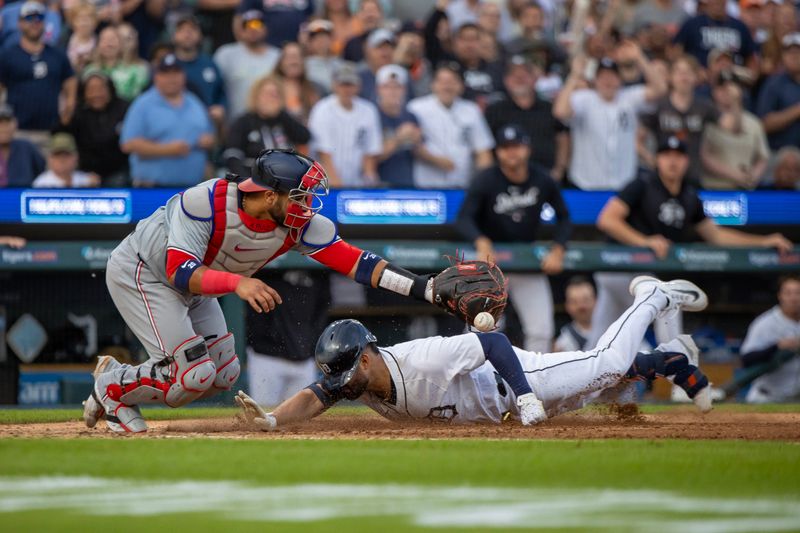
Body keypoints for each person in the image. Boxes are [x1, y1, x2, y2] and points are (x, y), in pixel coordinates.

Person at [82, 148, 477, 433]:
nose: (308, 206)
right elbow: (181, 271)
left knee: (224, 372)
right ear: (270, 195)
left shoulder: (297, 224)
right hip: (145, 273)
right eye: (300, 196)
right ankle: (112, 385)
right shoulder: (206, 202)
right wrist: (240, 282)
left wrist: (425, 289)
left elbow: (358, 263)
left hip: (202, 285)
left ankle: (120, 384)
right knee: (193, 375)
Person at [235, 276, 715, 430]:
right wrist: (274, 419)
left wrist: (527, 395)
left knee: (604, 365)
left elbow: (494, 342)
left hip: (520, 380)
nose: (341, 389)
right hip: (503, 409)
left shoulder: (421, 358)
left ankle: (651, 296)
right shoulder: (356, 376)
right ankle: (672, 358)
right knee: (600, 385)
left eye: (345, 378)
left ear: (365, 357)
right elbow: (315, 396)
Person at [593, 136, 793, 347]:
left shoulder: (689, 196)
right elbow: (607, 219)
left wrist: (763, 242)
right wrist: (644, 241)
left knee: (602, 334)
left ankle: (587, 375)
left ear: (687, 161)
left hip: (641, 273)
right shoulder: (642, 185)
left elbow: (717, 236)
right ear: (657, 159)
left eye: (678, 156)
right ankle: (677, 373)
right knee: (664, 303)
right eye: (666, 155)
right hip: (616, 266)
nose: (672, 161)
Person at [457, 125, 570, 351]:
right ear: (497, 152)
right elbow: (463, 219)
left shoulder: (542, 179)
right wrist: (481, 240)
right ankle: (478, 383)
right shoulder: (486, 179)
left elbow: (565, 218)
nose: (511, 152)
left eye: (516, 147)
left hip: (528, 263)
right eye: (505, 147)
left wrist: (558, 248)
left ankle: (537, 383)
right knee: (480, 329)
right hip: (492, 265)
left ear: (527, 149)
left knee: (541, 330)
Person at [553, 46, 666, 191]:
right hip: (586, 185)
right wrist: (574, 76)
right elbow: (560, 112)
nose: (608, 81)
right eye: (603, 76)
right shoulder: (584, 99)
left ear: (620, 79)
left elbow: (660, 89)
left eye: (612, 76)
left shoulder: (629, 98)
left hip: (623, 186)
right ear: (595, 80)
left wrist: (640, 58)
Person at [120, 53, 214, 187]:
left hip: (192, 189)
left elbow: (210, 135)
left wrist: (208, 140)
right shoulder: (143, 104)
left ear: (183, 76)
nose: (171, 78)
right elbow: (128, 144)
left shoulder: (194, 102)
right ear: (156, 76)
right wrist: (167, 149)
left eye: (176, 73)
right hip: (152, 187)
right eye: (165, 73)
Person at [246, 271, 330, 407]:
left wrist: (311, 347)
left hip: (304, 360)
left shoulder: (318, 271)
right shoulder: (265, 269)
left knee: (301, 420)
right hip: (266, 358)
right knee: (262, 416)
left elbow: (321, 311)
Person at [407, 63, 494, 189]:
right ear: (433, 85)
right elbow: (410, 145)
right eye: (442, 81)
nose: (446, 86)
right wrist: (436, 160)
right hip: (425, 186)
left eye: (452, 81)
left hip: (462, 185)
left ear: (461, 86)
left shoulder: (471, 110)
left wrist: (484, 185)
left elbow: (483, 151)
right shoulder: (416, 108)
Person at [0, 1, 76, 144]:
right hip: (18, 133)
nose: (35, 22)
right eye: (29, 18)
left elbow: (70, 79)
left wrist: (69, 108)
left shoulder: (57, 54)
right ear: (19, 23)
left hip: (51, 132)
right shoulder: (8, 55)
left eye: (39, 18)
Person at [484, 55, 568, 180]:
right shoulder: (495, 110)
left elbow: (562, 137)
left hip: (546, 179)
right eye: (514, 75)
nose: (519, 78)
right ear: (506, 80)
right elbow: (485, 146)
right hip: (505, 180)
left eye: (525, 75)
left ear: (534, 79)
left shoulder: (549, 108)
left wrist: (559, 169)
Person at [639, 55, 722, 181]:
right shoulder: (659, 106)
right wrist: (653, 161)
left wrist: (735, 99)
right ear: (671, 77)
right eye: (679, 72)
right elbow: (638, 140)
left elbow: (731, 127)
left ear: (696, 77)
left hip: (693, 176)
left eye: (688, 72)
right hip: (662, 178)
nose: (684, 77)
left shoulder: (704, 106)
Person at [307, 61, 382, 187]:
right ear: (335, 85)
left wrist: (369, 181)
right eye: (343, 84)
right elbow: (324, 153)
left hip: (357, 183)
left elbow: (370, 152)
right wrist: (338, 187)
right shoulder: (322, 109)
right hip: (324, 184)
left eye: (350, 84)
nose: (347, 89)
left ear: (358, 86)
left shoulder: (368, 110)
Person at [733, 275, 800, 403]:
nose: (794, 298)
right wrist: (777, 347)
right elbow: (746, 359)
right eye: (788, 293)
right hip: (767, 397)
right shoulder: (765, 323)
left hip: (795, 400)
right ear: (780, 296)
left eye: (798, 293)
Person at [223, 76, 311, 169]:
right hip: (254, 177)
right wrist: (245, 180)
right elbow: (232, 156)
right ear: (256, 96)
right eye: (267, 94)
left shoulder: (283, 119)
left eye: (276, 95)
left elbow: (304, 137)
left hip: (286, 175)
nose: (271, 99)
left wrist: (281, 114)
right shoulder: (243, 122)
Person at [701, 71, 769, 190]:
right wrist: (734, 175)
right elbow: (704, 156)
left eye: (732, 87)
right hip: (714, 189)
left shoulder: (754, 122)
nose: (728, 92)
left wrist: (752, 177)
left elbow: (762, 157)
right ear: (714, 92)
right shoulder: (705, 119)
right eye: (722, 88)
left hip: (745, 189)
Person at [59, 71, 129, 185]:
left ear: (110, 89)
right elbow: (60, 133)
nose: (96, 94)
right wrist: (65, 119)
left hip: (118, 171)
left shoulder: (124, 109)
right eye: (91, 90)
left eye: (101, 89)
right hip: (84, 172)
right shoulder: (78, 113)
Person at [214, 10, 281, 122]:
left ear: (265, 29)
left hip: (269, 123)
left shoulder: (277, 56)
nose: (252, 29)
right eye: (247, 25)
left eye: (257, 25)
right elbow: (215, 88)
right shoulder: (226, 54)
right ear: (241, 31)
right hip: (235, 122)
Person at [172, 14, 227, 126]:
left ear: (200, 35)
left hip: (205, 125)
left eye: (192, 29)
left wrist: (220, 108)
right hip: (172, 125)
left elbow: (221, 92)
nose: (187, 34)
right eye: (182, 30)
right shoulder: (166, 66)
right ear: (174, 36)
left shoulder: (209, 64)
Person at [672, 0, 757, 71]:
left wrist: (748, 76)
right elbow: (676, 51)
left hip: (733, 79)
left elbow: (751, 57)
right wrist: (693, 71)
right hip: (700, 81)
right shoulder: (692, 24)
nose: (717, 2)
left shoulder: (739, 27)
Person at [375, 64, 421, 188]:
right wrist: (398, 138)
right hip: (380, 185)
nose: (392, 92)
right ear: (378, 89)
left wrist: (417, 142)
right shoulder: (372, 116)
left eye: (397, 87)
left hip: (408, 182)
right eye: (387, 87)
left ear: (404, 89)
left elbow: (418, 152)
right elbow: (371, 157)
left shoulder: (411, 116)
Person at [756, 33, 800, 152]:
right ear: (782, 56)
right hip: (779, 154)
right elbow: (764, 124)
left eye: (797, 52)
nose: (794, 56)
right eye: (789, 52)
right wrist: (796, 110)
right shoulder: (774, 84)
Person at [86, 26, 149, 102]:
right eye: (104, 40)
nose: (108, 44)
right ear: (98, 45)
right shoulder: (89, 71)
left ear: (121, 44)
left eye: (112, 39)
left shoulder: (137, 71)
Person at [0, 103, 45, 188]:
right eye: (0, 124)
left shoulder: (27, 147)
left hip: (23, 196)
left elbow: (41, 172)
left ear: (15, 124)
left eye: (7, 123)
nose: (3, 128)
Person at [275, 42, 321, 124]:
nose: (293, 61)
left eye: (297, 57)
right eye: (289, 57)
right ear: (280, 62)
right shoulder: (270, 88)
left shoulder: (316, 88)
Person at [32, 132, 100, 188]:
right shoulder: (41, 183)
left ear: (76, 157)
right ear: (50, 159)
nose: (62, 160)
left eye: (66, 155)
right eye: (57, 155)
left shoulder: (86, 180)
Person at [553, 276, 597, 352]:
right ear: (567, 306)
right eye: (574, 302)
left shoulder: (611, 330)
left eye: (586, 300)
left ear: (596, 301)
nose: (581, 306)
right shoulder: (564, 340)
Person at [304, 19, 343, 93]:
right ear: (310, 43)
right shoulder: (305, 66)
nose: (321, 41)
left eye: (325, 37)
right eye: (316, 39)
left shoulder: (339, 64)